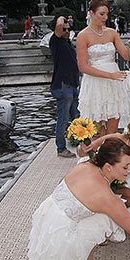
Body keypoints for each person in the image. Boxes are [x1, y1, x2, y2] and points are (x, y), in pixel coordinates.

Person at [76, 0, 130, 136]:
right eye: (102, 14)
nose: (105, 17)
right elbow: (83, 67)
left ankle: (111, 157)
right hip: (95, 84)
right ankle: (99, 156)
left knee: (112, 130)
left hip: (114, 84)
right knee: (97, 131)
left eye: (107, 14)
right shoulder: (83, 36)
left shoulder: (112, 32)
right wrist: (110, 75)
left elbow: (127, 56)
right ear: (92, 13)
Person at [78, 116, 130, 208]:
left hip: (120, 177)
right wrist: (83, 149)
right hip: (98, 172)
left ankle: (114, 212)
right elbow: (82, 153)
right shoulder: (116, 139)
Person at [49, 16, 80, 158]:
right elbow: (59, 25)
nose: (66, 31)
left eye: (69, 29)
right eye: (64, 29)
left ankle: (77, 141)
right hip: (63, 85)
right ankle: (60, 148)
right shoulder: (55, 41)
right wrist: (62, 17)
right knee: (63, 118)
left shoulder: (68, 43)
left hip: (72, 84)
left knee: (76, 116)